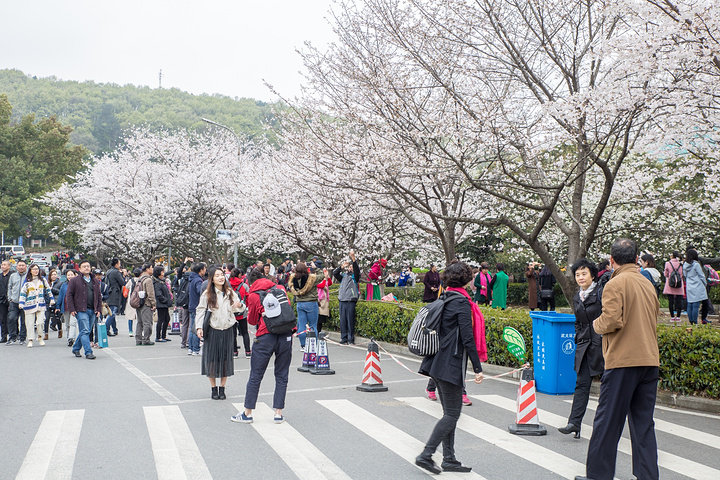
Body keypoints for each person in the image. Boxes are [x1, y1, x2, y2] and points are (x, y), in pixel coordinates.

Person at [576, 238, 660, 480]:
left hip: (623, 360)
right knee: (643, 425)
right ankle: (647, 476)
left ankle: (598, 476)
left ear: (611, 261)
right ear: (636, 260)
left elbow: (612, 320)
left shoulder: (615, 283)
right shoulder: (647, 284)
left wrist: (595, 323)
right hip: (649, 360)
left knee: (607, 422)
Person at [416, 261, 484, 474]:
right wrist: (478, 367)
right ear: (466, 279)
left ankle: (449, 459)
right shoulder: (461, 302)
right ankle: (426, 455)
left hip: (436, 362)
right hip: (450, 363)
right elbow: (467, 337)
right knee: (452, 414)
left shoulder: (445, 297)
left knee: (449, 413)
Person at [232, 268, 293, 424]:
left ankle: (247, 413)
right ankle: (278, 413)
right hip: (285, 335)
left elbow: (252, 321)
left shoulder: (253, 295)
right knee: (282, 374)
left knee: (256, 375)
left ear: (251, 282)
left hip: (265, 337)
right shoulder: (279, 288)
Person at [559, 259, 604, 438]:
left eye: (584, 273)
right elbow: (578, 321)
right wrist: (579, 335)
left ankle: (605, 427)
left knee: (609, 386)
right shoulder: (577, 296)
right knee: (581, 384)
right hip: (584, 345)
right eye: (577, 274)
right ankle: (574, 423)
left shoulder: (602, 292)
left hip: (602, 344)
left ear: (593, 275)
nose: (580, 277)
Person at [196, 266, 242, 400]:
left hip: (227, 329)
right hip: (212, 330)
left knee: (225, 359)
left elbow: (238, 309)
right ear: (211, 279)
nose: (221, 277)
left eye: (222, 275)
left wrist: (239, 306)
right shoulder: (207, 294)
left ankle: (222, 388)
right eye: (217, 275)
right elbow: (200, 310)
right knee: (211, 360)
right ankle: (213, 388)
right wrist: (199, 327)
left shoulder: (230, 293)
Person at [65, 260, 102, 359]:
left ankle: (76, 348)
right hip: (80, 310)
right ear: (80, 269)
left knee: (85, 331)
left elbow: (98, 295)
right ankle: (88, 352)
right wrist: (72, 309)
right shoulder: (74, 280)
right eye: (84, 266)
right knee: (85, 330)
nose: (86, 268)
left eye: (88, 266)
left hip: (92, 309)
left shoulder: (95, 281)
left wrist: (99, 308)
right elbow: (69, 295)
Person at [289, 262, 329, 349]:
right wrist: (315, 267)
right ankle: (314, 345)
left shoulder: (293, 278)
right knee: (313, 325)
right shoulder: (311, 278)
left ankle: (303, 345)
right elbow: (322, 275)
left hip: (300, 303)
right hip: (311, 303)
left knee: (302, 325)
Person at [18, 264, 54, 348]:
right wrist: (21, 303)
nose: (36, 271)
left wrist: (51, 299)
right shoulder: (27, 281)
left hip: (40, 304)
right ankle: (30, 339)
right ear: (30, 270)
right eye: (34, 269)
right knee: (29, 323)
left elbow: (48, 289)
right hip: (29, 305)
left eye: (37, 269)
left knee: (40, 322)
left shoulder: (42, 280)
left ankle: (40, 337)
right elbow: (23, 292)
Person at [333, 251, 361, 344]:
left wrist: (353, 260)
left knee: (350, 320)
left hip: (351, 300)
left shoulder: (355, 277)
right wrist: (342, 266)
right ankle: (343, 338)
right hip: (342, 300)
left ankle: (350, 339)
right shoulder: (343, 276)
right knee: (343, 321)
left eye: (351, 267)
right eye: (349, 267)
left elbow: (357, 271)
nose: (350, 268)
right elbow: (335, 273)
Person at [6, 259, 28, 345]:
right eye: (19, 265)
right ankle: (12, 337)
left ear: (26, 267)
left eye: (23, 265)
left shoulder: (28, 277)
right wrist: (10, 298)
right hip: (14, 302)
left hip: (25, 302)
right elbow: (10, 287)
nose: (21, 267)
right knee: (11, 318)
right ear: (17, 267)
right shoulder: (13, 276)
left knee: (24, 321)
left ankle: (22, 338)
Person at [682, 249, 707, 325]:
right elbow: (701, 275)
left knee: (690, 304)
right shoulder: (696, 264)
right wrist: (705, 283)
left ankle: (691, 321)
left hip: (689, 285)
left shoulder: (685, 265)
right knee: (696, 305)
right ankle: (695, 322)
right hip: (697, 285)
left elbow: (685, 275)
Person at [187, 262, 206, 356]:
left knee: (192, 328)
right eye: (204, 269)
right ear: (201, 270)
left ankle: (190, 348)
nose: (205, 271)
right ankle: (196, 349)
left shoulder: (191, 278)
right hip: (197, 306)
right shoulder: (198, 280)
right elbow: (200, 291)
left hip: (191, 305)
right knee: (197, 328)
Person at [136, 263, 156, 346]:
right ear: (147, 269)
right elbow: (150, 293)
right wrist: (153, 304)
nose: (152, 269)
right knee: (147, 322)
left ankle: (138, 339)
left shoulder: (139, 279)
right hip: (146, 303)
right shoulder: (148, 280)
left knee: (139, 322)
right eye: (151, 268)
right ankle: (146, 339)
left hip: (138, 303)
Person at [56, 269, 77, 346]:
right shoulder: (64, 285)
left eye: (71, 274)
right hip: (66, 307)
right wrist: (58, 306)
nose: (70, 276)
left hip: (75, 307)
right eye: (68, 275)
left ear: (75, 275)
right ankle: (69, 338)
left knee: (73, 323)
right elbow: (61, 297)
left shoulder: (77, 284)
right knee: (67, 324)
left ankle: (72, 338)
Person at [105, 258, 125, 336]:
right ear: (116, 264)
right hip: (115, 293)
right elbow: (122, 282)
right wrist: (122, 275)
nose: (120, 265)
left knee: (111, 311)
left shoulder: (109, 271)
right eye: (119, 264)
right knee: (113, 312)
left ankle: (114, 329)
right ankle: (106, 329)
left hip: (109, 293)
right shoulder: (116, 272)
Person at [663, 251, 684, 324]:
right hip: (679, 284)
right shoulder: (681, 264)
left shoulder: (668, 263)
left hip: (670, 284)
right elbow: (682, 275)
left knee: (671, 301)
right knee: (679, 301)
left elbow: (666, 274)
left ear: (672, 256)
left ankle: (672, 317)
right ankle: (678, 317)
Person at [153, 266, 173, 342]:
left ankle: (164, 335)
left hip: (164, 304)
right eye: (162, 271)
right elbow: (159, 294)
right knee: (160, 320)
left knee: (167, 319)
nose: (164, 273)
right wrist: (166, 301)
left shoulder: (162, 281)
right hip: (161, 304)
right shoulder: (157, 282)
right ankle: (158, 336)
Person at [125, 268, 142, 336]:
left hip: (131, 300)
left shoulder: (130, 280)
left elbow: (126, 286)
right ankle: (140, 331)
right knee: (140, 317)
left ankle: (130, 331)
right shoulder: (141, 281)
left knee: (130, 317)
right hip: (139, 299)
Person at [0, 260, 11, 343]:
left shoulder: (12, 276)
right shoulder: (0, 276)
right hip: (1, 300)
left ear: (9, 266)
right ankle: (4, 336)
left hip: (11, 299)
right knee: (2, 319)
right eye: (2, 265)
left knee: (12, 318)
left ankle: (13, 334)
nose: (3, 266)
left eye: (5, 265)